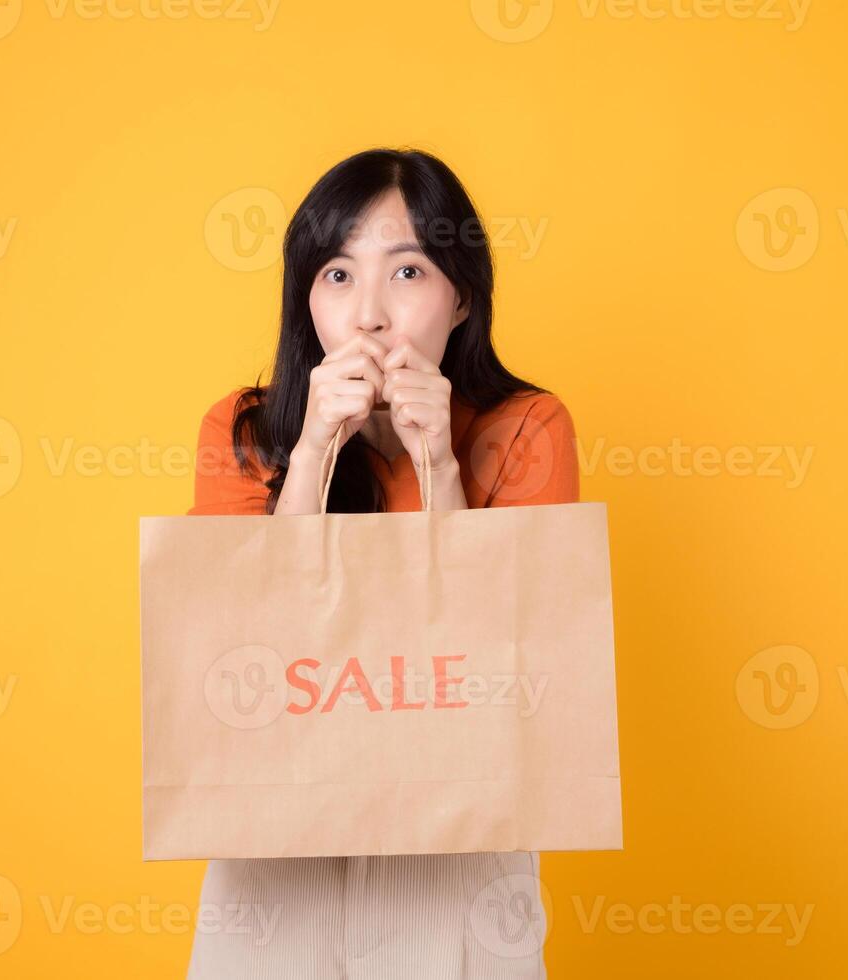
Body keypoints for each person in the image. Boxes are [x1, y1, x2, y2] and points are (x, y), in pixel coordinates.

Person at [185, 147, 579, 979]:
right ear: (308, 302)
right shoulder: (245, 431)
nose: (368, 314)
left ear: (461, 296)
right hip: (275, 853)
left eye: (406, 273)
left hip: (460, 854)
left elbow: (511, 662)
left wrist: (437, 460)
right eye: (336, 275)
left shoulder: (525, 429)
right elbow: (240, 653)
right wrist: (316, 451)